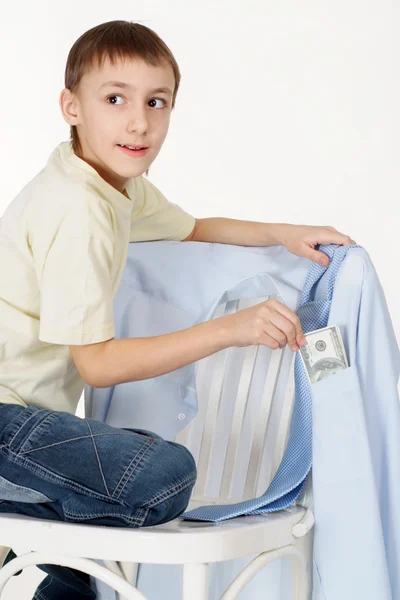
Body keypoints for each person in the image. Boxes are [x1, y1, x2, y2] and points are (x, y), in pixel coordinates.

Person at [0, 20, 356, 600]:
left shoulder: (110, 184)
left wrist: (283, 233)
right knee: (161, 474)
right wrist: (228, 330)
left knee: (101, 515)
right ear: (71, 106)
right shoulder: (77, 210)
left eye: (155, 101)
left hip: (24, 423)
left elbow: (192, 228)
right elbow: (98, 365)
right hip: (5, 421)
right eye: (114, 99)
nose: (139, 121)